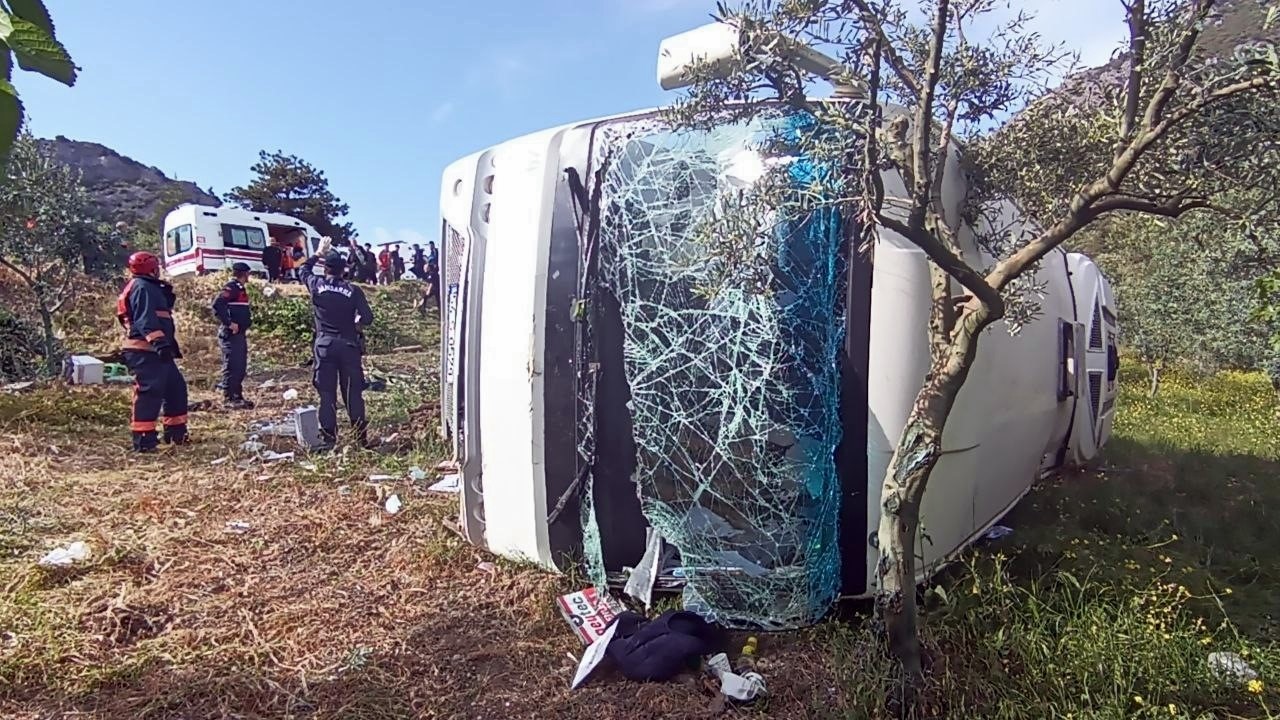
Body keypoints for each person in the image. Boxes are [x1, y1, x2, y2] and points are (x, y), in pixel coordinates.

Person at [302, 238, 375, 450]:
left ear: (325, 268)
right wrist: (357, 323)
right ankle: (360, 439)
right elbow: (367, 318)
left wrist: (318, 253)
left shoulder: (317, 284)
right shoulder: (353, 291)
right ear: (344, 270)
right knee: (353, 394)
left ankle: (329, 439)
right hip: (349, 346)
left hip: (325, 346)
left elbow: (303, 270)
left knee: (326, 395)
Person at [116, 251, 189, 452]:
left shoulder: (148, 287)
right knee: (150, 392)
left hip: (155, 350)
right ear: (151, 268)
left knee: (176, 389)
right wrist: (159, 343)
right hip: (145, 350)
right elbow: (145, 320)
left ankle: (176, 434)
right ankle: (144, 440)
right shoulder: (142, 287)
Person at [211, 262, 255, 410]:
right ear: (244, 273)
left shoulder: (240, 288)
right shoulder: (231, 287)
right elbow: (217, 305)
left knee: (239, 366)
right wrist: (229, 323)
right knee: (231, 365)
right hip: (230, 334)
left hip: (239, 334)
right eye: (248, 273)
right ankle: (229, 398)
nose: (249, 276)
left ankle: (237, 396)